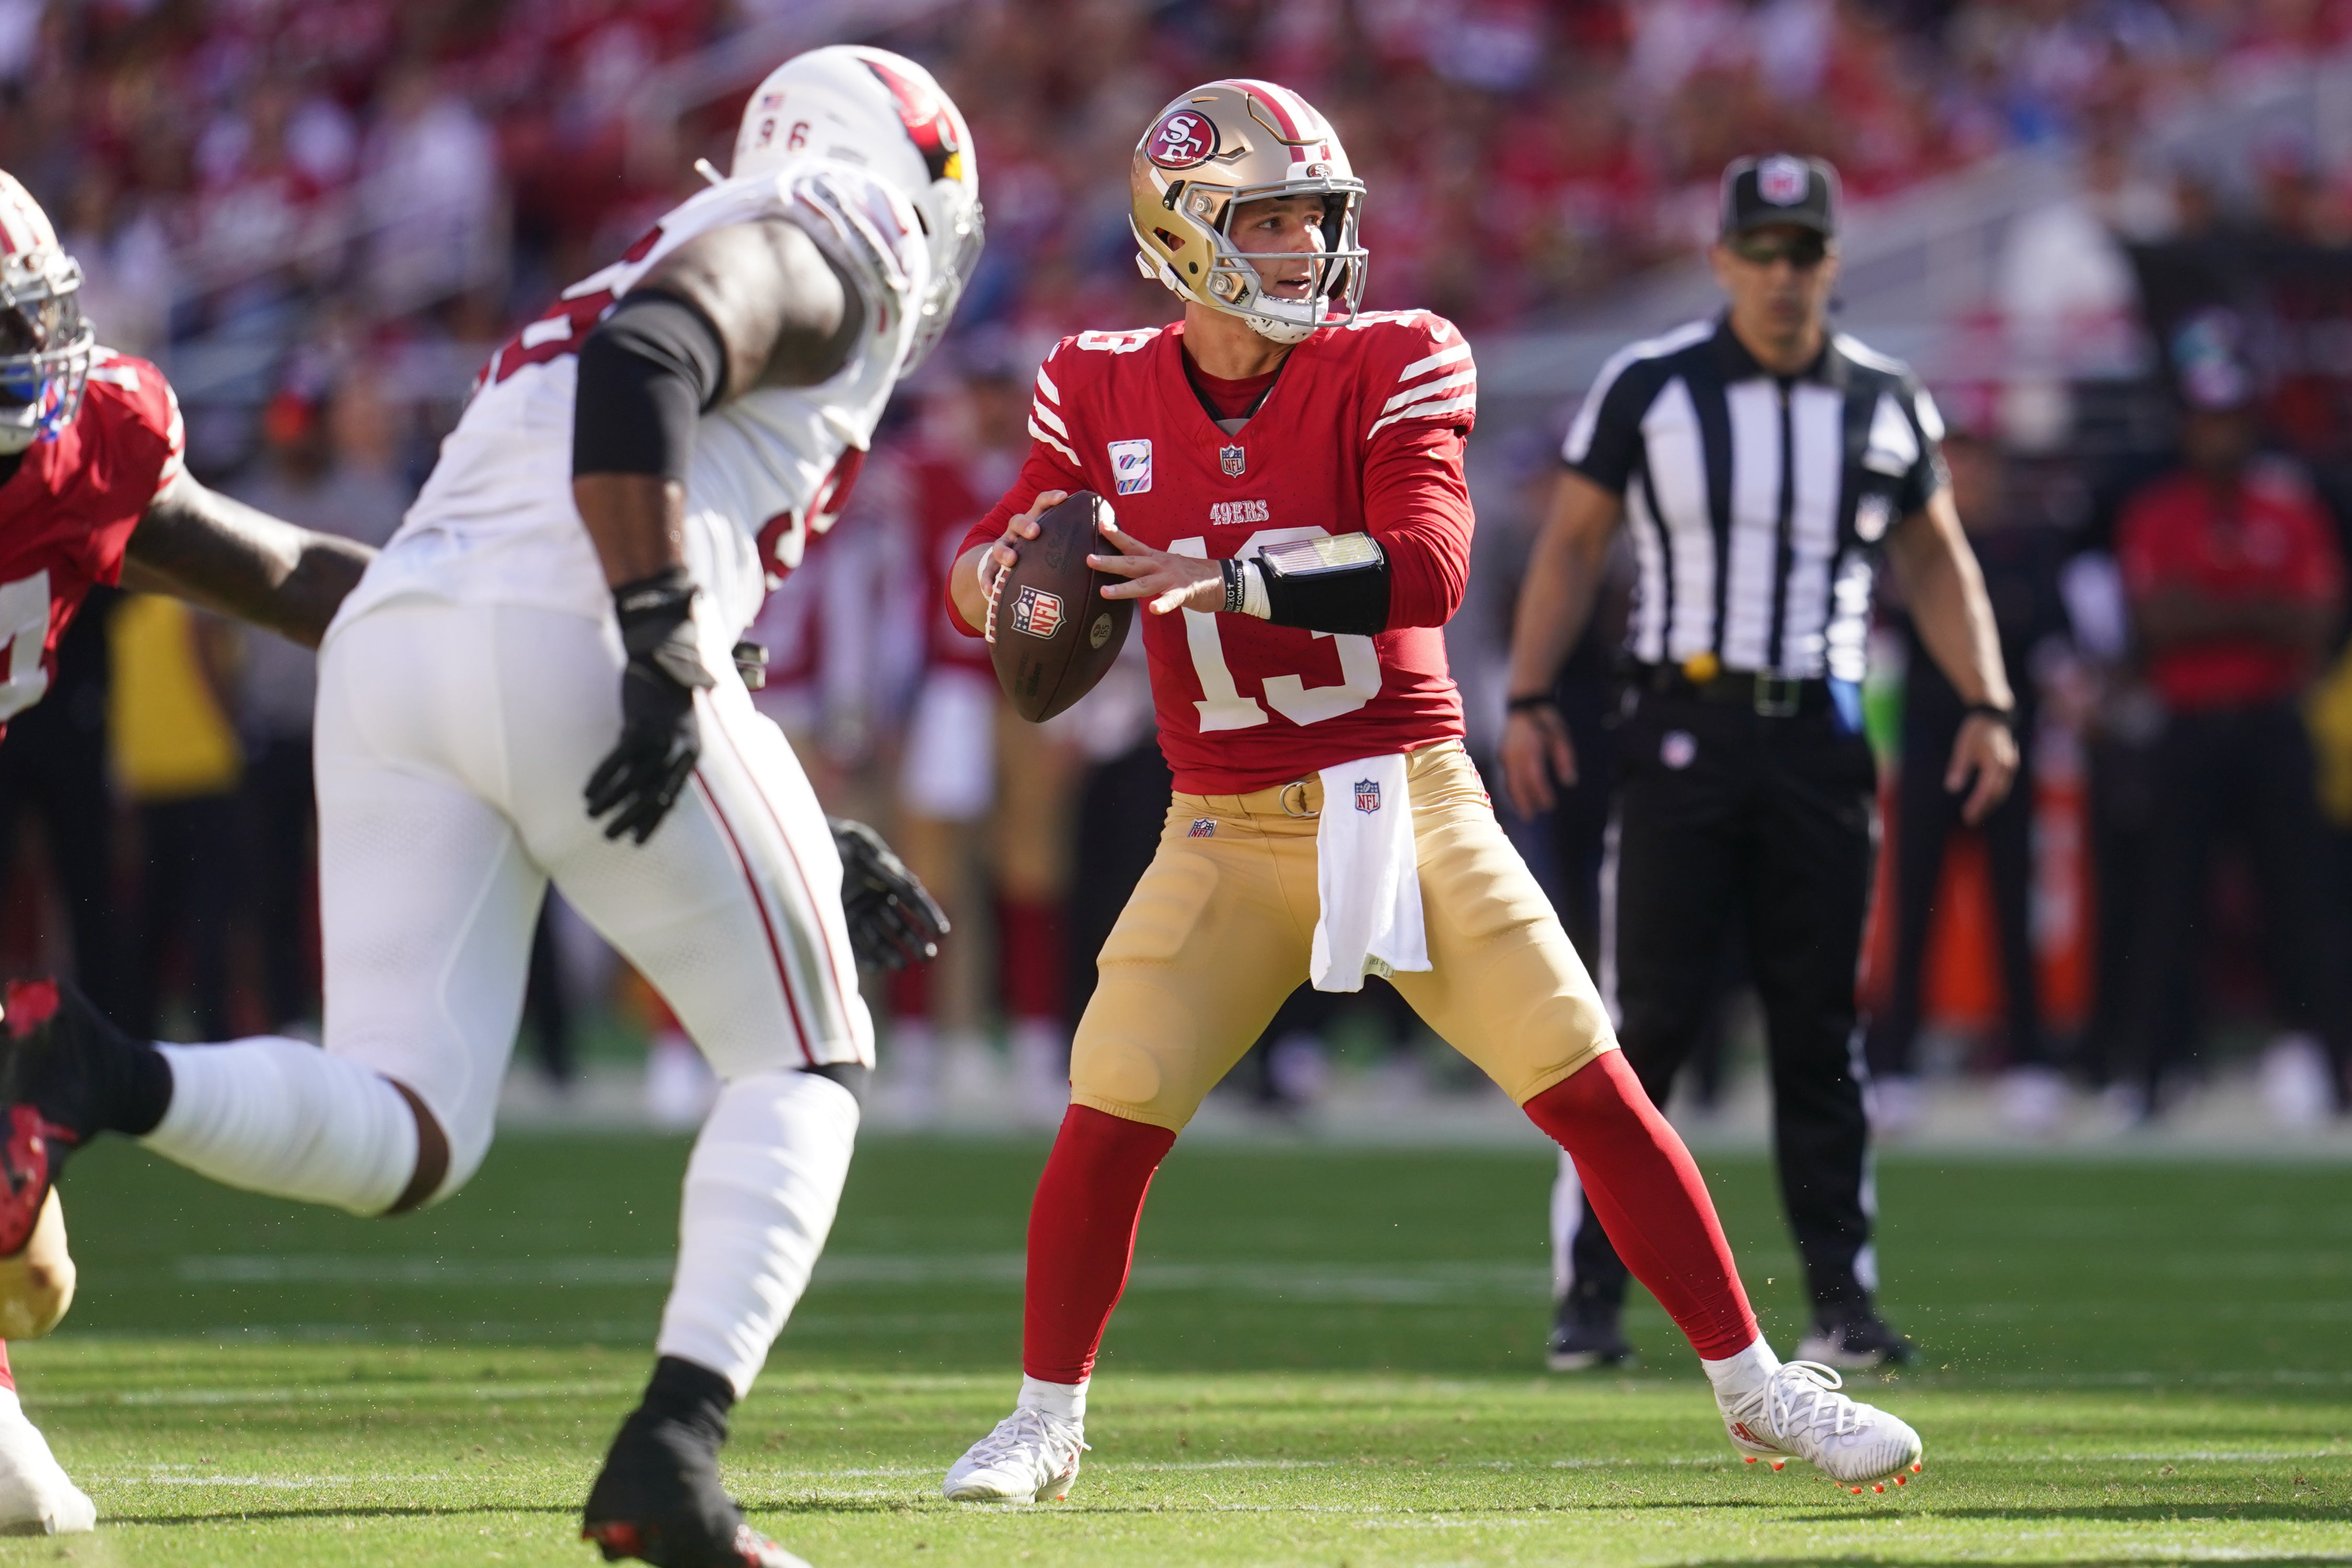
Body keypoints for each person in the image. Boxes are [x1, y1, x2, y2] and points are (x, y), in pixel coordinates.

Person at [0, 47, 969, 1567]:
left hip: (404, 636)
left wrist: (754, 782)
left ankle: (89, 1071)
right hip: (568, 625)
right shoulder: (839, 225)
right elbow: (654, 358)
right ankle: (673, 1454)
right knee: (803, 1052)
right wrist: (654, 633)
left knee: (411, 1120)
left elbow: (589, 472)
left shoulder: (649, 244)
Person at [936, 83, 1923, 1509]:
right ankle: (1042, 1420)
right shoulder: (1093, 381)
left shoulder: (1396, 356)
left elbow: (1429, 563)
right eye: (1262, 221)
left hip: (1400, 796)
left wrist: (1236, 574)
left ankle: (1756, 1385)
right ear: (1180, 231)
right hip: (1218, 819)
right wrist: (994, 575)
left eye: (1309, 220)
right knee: (1115, 1094)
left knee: (1579, 1070)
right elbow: (994, 549)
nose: (1297, 250)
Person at [1500, 155, 2019, 1372]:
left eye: (1803, 252)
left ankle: (1840, 1297)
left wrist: (1986, 700)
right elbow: (1571, 546)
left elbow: (1937, 560)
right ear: (1723, 258)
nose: (1783, 275)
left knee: (1818, 1029)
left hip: (1821, 734)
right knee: (1644, 1027)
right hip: (1681, 727)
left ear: (1829, 263)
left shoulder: (1884, 398)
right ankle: (1589, 1296)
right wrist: (1527, 692)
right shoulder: (1654, 385)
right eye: (1763, 251)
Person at [0, 168, 380, 1535]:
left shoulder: (83, 448)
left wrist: (518, 627)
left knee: (35, 1282)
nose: (24, 363)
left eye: (23, 325)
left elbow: (277, 576)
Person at [2113, 333, 2350, 1114]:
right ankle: (2154, 1072)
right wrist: (2255, 606)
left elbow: (2313, 622)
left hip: (2269, 720)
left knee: (2302, 905)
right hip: (2191, 723)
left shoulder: (2288, 504)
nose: (2218, 435)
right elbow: (2157, 620)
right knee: (2170, 903)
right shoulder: (2157, 510)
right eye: (2205, 420)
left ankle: (2329, 1068)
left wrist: (2212, 608)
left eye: (2230, 419)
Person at [1866, 426, 2073, 1134]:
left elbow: (2049, 640)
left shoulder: (2027, 547)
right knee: (1914, 909)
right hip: (1929, 755)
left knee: (2013, 912)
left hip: (2004, 755)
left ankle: (2028, 1063)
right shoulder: (1907, 548)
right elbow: (1888, 646)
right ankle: (1894, 1064)